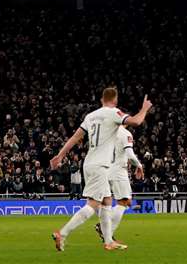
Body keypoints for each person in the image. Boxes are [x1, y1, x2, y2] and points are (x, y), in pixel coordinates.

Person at [49, 87, 152, 252]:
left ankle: (109, 241)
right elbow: (136, 121)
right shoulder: (113, 113)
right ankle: (63, 233)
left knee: (107, 202)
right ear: (115, 100)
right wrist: (145, 109)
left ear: (101, 99)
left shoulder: (90, 116)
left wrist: (60, 155)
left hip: (89, 163)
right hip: (100, 165)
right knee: (93, 204)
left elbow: (76, 137)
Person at [95, 127, 146, 248]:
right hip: (118, 171)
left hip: (106, 170)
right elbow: (129, 154)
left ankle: (106, 232)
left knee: (115, 202)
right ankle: (105, 231)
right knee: (125, 202)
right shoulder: (125, 133)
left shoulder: (107, 132)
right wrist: (139, 165)